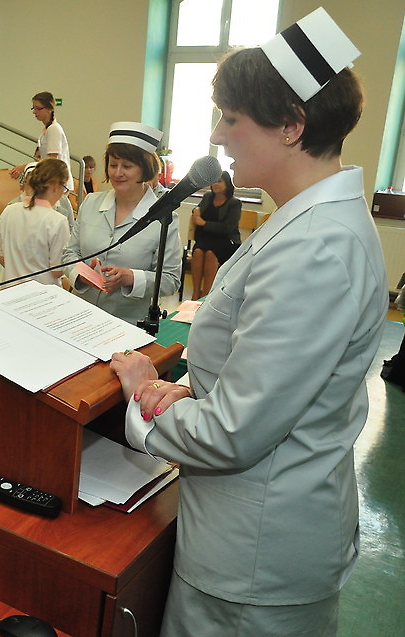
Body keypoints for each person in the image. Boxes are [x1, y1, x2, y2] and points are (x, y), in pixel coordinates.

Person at [109, 11, 386, 635]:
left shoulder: (316, 249)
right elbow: (262, 378)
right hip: (256, 529)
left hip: (255, 557)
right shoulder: (307, 222)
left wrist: (141, 399)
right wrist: (190, 392)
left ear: (292, 125)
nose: (218, 135)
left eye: (231, 118)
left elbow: (232, 433)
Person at [62, 121, 181, 325]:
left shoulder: (164, 219)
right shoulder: (90, 204)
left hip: (127, 324)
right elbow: (69, 254)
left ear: (145, 169)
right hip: (79, 317)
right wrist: (81, 274)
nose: (118, 173)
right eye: (113, 165)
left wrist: (131, 278)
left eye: (127, 166)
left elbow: (171, 279)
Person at [0, 158, 71, 288]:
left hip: (9, 290)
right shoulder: (57, 221)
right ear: (55, 186)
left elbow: (2, 259)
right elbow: (57, 271)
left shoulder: (9, 210)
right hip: (41, 294)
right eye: (64, 188)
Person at [189, 170, 242, 299]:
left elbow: (228, 228)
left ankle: (206, 295)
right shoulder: (208, 196)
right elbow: (198, 207)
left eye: (219, 181)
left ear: (227, 184)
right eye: (214, 181)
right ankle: (195, 293)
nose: (215, 184)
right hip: (205, 238)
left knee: (211, 254)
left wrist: (204, 223)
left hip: (225, 240)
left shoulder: (234, 203)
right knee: (198, 252)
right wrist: (196, 210)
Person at [9, 92, 73, 195]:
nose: (34, 112)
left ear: (49, 109)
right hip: (52, 180)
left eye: (38, 108)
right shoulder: (47, 129)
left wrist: (25, 167)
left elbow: (52, 161)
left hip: (58, 181)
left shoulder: (54, 129)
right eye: (33, 108)